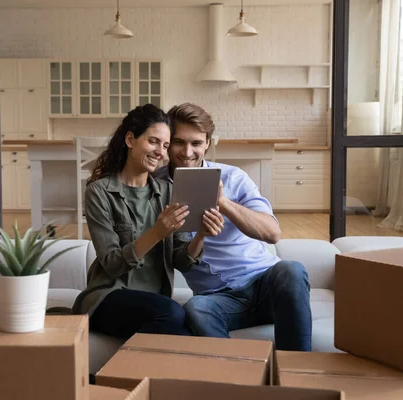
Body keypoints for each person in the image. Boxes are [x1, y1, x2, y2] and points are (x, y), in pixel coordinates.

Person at [153, 102, 312, 351]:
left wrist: (222, 202)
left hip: (265, 285)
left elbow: (272, 233)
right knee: (195, 309)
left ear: (208, 143)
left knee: (291, 270)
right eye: (178, 142)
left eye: (196, 143)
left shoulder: (233, 177)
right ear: (167, 143)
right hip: (218, 299)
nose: (187, 152)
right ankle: (239, 373)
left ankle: (296, 374)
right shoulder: (153, 187)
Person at [71, 104, 224, 340]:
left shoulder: (168, 191)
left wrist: (201, 235)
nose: (160, 153)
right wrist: (157, 233)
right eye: (153, 142)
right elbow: (112, 264)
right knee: (171, 313)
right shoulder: (99, 192)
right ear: (130, 139)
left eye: (164, 145)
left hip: (155, 301)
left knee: (190, 332)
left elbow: (181, 261)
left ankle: (105, 376)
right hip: (108, 296)